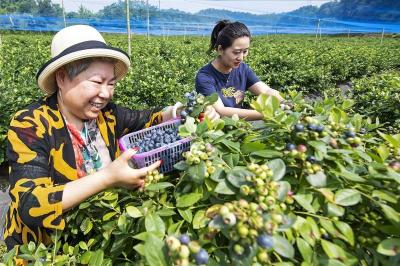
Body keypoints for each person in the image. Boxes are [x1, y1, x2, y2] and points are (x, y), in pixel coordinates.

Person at [3, 25, 219, 251]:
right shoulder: (31, 124)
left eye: (111, 83)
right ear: (62, 77)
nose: (105, 93)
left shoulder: (108, 115)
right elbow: (31, 204)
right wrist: (108, 177)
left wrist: (183, 111)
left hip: (91, 241)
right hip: (42, 251)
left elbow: (147, 119)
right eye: (97, 82)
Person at [195, 20, 284, 120]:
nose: (241, 57)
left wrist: (287, 103)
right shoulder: (205, 77)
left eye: (245, 51)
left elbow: (266, 90)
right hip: (217, 132)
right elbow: (221, 111)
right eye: (236, 52)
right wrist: (267, 114)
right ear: (220, 49)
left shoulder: (242, 69)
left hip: (239, 128)